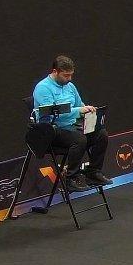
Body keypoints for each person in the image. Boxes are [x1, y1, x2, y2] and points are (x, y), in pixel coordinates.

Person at [32, 55, 113, 192]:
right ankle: (71, 178)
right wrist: (79, 110)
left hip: (71, 127)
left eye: (71, 75)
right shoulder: (43, 88)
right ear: (55, 72)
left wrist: (88, 110)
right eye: (66, 75)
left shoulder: (70, 86)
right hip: (51, 131)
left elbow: (79, 105)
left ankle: (93, 173)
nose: (69, 78)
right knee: (79, 139)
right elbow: (52, 113)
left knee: (101, 134)